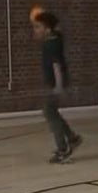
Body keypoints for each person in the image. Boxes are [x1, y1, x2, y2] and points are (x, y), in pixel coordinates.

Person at [34, 12, 83, 164]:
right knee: (51, 112)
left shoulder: (51, 43)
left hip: (55, 84)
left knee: (49, 113)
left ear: (47, 28)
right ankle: (72, 138)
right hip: (53, 83)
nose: (36, 30)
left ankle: (63, 149)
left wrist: (58, 86)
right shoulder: (54, 39)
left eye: (38, 27)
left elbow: (56, 65)